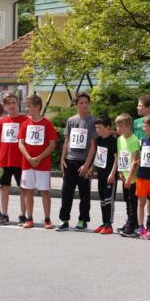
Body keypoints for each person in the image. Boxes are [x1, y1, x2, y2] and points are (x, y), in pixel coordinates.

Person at [56, 92, 96, 231]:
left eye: (86, 102)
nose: (84, 105)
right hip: (70, 161)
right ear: (76, 105)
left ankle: (83, 220)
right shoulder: (71, 120)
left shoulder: (92, 121)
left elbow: (93, 145)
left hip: (84, 162)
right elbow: (66, 140)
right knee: (67, 192)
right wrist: (62, 159)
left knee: (84, 193)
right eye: (81, 103)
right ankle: (64, 219)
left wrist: (87, 165)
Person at [18, 95, 58, 229]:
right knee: (28, 191)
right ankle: (29, 218)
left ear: (37, 107)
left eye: (29, 106)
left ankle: (47, 219)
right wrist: (29, 158)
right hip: (27, 164)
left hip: (43, 164)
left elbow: (52, 145)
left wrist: (39, 158)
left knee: (44, 191)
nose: (26, 109)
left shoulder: (47, 123)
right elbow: (20, 143)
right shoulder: (25, 123)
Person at [0, 92, 28, 226]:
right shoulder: (1, 121)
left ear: (18, 103)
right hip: (4, 160)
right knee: (4, 188)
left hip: (20, 160)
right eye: (8, 103)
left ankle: (23, 215)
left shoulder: (25, 120)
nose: (11, 105)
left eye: (14, 102)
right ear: (4, 106)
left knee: (23, 188)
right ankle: (4, 215)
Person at [115, 113, 141, 237]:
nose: (118, 129)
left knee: (132, 202)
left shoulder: (134, 140)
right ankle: (131, 222)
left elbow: (135, 161)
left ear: (129, 126)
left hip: (132, 178)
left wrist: (130, 178)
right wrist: (120, 173)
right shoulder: (120, 139)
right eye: (117, 126)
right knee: (127, 201)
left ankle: (132, 226)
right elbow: (121, 156)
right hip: (124, 175)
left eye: (121, 126)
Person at [92, 114, 117, 235]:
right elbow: (97, 156)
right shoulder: (98, 140)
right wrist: (91, 168)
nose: (97, 130)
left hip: (109, 176)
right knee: (102, 199)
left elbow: (116, 158)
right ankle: (104, 222)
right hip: (100, 174)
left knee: (108, 200)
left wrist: (112, 174)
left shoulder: (113, 141)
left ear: (108, 128)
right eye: (96, 127)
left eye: (100, 127)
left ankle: (109, 224)